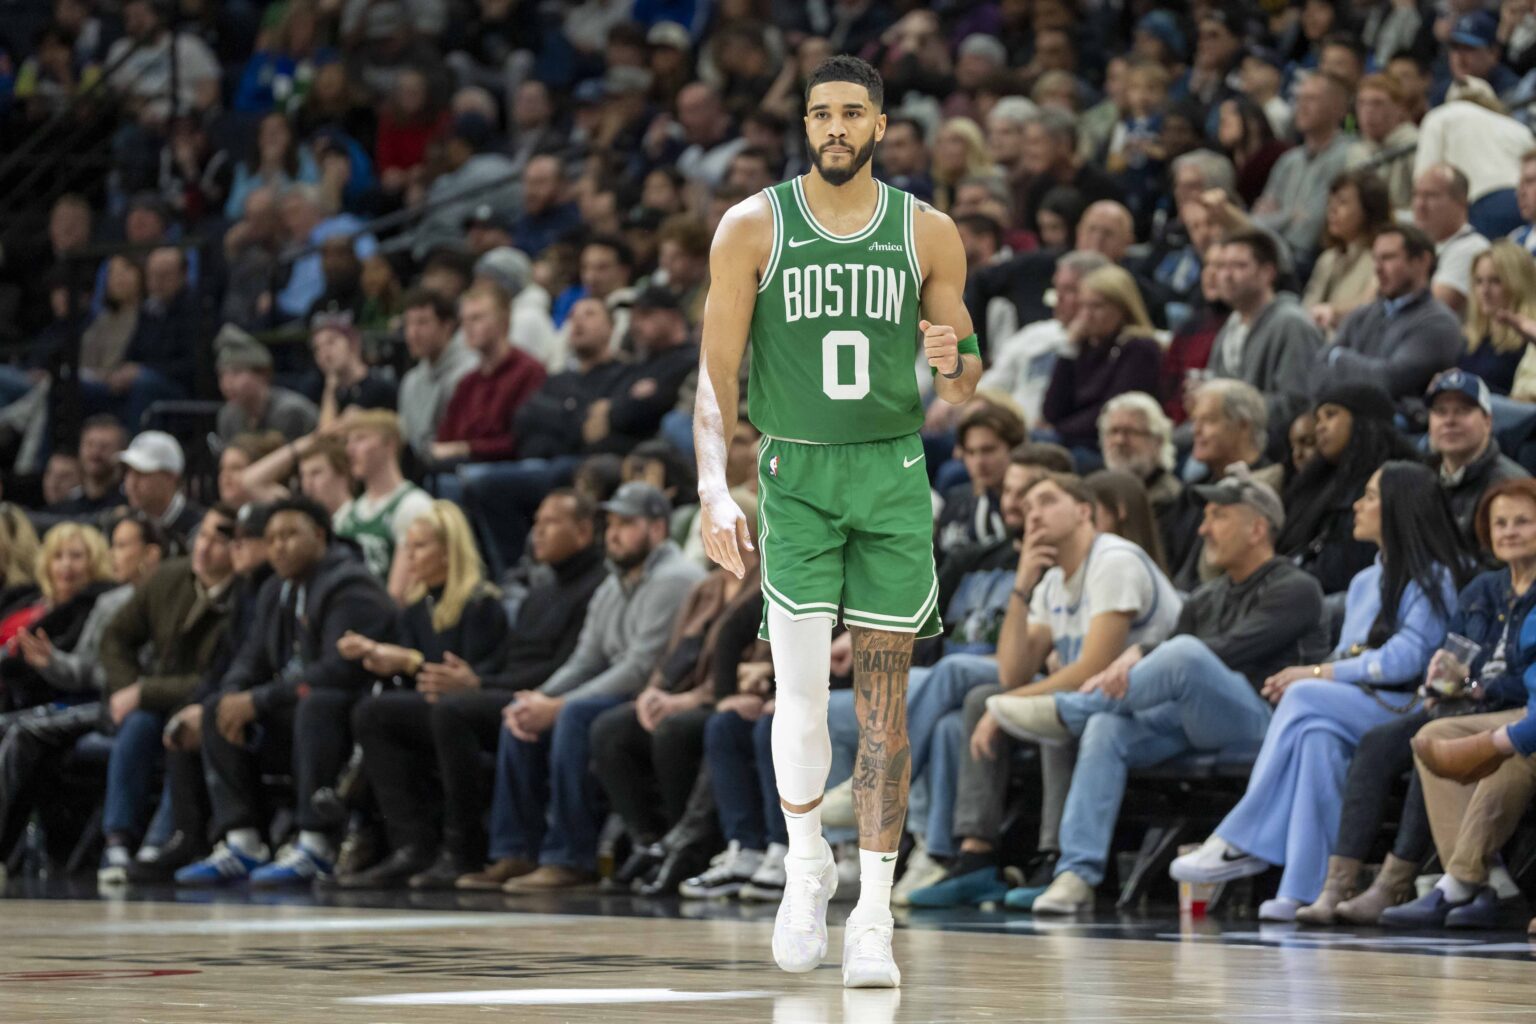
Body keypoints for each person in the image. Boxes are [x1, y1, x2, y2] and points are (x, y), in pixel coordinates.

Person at [692, 55, 982, 989]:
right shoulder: (751, 226)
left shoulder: (928, 232)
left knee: (884, 708)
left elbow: (965, 368)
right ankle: (805, 859)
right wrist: (711, 486)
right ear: (805, 124)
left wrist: (952, 356)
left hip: (894, 474)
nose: (835, 128)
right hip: (798, 475)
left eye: (853, 113)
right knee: (804, 692)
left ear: (882, 126)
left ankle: (875, 915)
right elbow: (716, 372)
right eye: (822, 113)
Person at [988, 473, 1325, 913]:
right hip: (1194, 721)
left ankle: (1070, 710)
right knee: (1107, 727)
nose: (1203, 529)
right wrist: (1142, 654)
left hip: (1266, 723)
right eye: (1204, 518)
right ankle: (1076, 874)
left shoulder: (1295, 588)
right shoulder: (1205, 598)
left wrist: (1144, 651)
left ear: (1257, 528)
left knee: (1185, 653)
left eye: (1218, 517)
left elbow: (1224, 653)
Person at [1171, 461, 1472, 921]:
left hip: (1406, 705)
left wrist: (1315, 675)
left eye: (1370, 496)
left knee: (1302, 697)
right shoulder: (1363, 580)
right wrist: (1321, 672)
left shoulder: (1434, 576)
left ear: (1397, 507)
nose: (1357, 505)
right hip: (1358, 705)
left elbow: (1408, 657)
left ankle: (1238, 838)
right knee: (1316, 739)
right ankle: (1302, 888)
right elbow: (1343, 655)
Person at [913, 473, 1182, 909]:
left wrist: (1005, 708)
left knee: (1045, 705)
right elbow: (1012, 671)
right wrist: (1022, 583)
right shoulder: (1052, 580)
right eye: (1030, 505)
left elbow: (1092, 668)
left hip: (1154, 708)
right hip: (1098, 701)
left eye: (1048, 501)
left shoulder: (1114, 560)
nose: (1033, 512)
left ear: (1084, 511)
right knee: (984, 697)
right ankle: (975, 857)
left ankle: (1055, 856)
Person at [1295, 478, 1536, 927]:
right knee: (1383, 743)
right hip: (1466, 705)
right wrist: (1442, 677)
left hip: (1512, 707)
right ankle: (1343, 881)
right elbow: (1454, 649)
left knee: (1439, 743)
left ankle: (1428, 881)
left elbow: (1527, 682)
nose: (1509, 531)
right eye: (1500, 522)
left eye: (1522, 521)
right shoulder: (1483, 589)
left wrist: (1485, 690)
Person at [485, 483, 703, 894]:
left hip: (659, 695)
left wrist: (560, 704)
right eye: (610, 524)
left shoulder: (674, 578)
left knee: (573, 715)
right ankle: (515, 850)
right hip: (621, 691)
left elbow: (639, 668)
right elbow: (586, 659)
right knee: (522, 713)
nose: (614, 533)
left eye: (626, 524)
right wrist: (540, 698)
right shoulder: (612, 584)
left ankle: (571, 857)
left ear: (658, 529)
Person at [174, 497, 395, 886]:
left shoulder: (350, 584)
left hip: (348, 710)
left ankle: (316, 843)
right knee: (216, 707)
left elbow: (337, 670)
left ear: (320, 536)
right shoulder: (274, 588)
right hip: (293, 706)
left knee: (315, 702)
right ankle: (243, 842)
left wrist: (257, 701)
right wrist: (234, 696)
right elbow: (249, 659)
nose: (278, 545)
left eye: (290, 535)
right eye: (272, 538)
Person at [333, 501, 509, 888]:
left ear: (448, 550)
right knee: (371, 712)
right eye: (406, 547)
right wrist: (379, 659)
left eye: (419, 547)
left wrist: (410, 662)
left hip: (478, 719)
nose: (408, 557)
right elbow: (416, 679)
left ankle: (462, 851)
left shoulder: (481, 604)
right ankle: (410, 846)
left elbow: (474, 679)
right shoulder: (415, 609)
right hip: (435, 716)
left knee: (447, 714)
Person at [94, 507, 236, 879]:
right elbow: (115, 638)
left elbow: (215, 678)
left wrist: (143, 690)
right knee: (140, 724)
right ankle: (118, 841)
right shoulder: (170, 578)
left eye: (219, 542)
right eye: (202, 536)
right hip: (157, 700)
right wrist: (127, 686)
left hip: (204, 699)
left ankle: (162, 842)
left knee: (180, 729)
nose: (204, 548)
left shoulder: (244, 598)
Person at [1279, 382, 1417, 595]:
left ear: (1363, 420)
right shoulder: (1313, 484)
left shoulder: (1395, 482)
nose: (1320, 427)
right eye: (1318, 419)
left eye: (1331, 415)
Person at [1319, 224, 1465, 408]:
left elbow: (1388, 380)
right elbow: (1318, 370)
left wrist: (1338, 358)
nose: (1378, 269)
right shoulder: (1362, 315)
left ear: (1422, 261)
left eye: (1388, 258)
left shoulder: (1439, 323)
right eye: (1376, 259)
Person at [1206, 230, 1323, 448]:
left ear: (1267, 273)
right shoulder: (1228, 329)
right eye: (1221, 266)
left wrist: (1227, 407)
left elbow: (1297, 404)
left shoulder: (1292, 324)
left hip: (1273, 451)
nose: (1226, 275)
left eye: (1239, 266)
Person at [1039, 265, 1162, 465]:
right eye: (1083, 306)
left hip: (1107, 447)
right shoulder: (1085, 346)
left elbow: (1111, 412)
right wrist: (1069, 348)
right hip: (1071, 440)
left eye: (1097, 307)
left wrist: (1057, 431)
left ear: (1122, 308)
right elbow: (1052, 410)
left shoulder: (1140, 349)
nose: (1086, 316)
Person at [979, 252, 1109, 426]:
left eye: (1071, 290)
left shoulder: (1106, 344)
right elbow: (989, 389)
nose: (1058, 298)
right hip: (1010, 432)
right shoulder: (1033, 335)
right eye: (1057, 288)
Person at [1250, 71, 1354, 268]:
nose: (1301, 107)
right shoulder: (1288, 160)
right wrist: (1291, 216)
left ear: (1339, 108)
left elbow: (1309, 232)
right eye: (1299, 99)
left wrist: (1278, 216)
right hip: (1274, 256)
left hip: (1315, 260)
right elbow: (1257, 221)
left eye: (1312, 99)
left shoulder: (1349, 156)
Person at [332, 410, 433, 600]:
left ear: (390, 444)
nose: (350, 450)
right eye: (348, 441)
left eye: (360, 439)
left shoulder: (414, 505)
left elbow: (398, 595)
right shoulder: (345, 515)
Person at [396, 288, 478, 463]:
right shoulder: (411, 381)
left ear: (447, 326)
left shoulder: (471, 372)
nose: (412, 333)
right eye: (408, 324)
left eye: (422, 323)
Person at [1304, 169, 1391, 333]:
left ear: (1369, 209)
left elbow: (1370, 310)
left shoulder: (1382, 260)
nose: (1332, 210)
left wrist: (1332, 313)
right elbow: (1306, 312)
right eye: (1330, 202)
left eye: (1342, 202)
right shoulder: (1327, 259)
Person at [937, 405, 1026, 559]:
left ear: (1014, 449)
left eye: (988, 450)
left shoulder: (1030, 506)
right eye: (970, 452)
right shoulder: (954, 500)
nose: (978, 462)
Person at [213, 325, 319, 443]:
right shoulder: (229, 416)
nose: (227, 383)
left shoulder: (291, 412)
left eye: (236, 373)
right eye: (222, 375)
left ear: (262, 374)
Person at [1412, 164, 1490, 317]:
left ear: (1461, 202)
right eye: (1416, 195)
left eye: (1430, 195)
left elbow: (1429, 312)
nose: (1420, 204)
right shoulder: (1421, 247)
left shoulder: (1472, 248)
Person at [1460, 241, 1536, 398]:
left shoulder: (1529, 340)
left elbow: (1524, 404)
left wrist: (1464, 386)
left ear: (1518, 285)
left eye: (1496, 281)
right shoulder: (1472, 336)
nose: (1484, 291)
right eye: (1479, 281)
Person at [115, 431, 206, 547]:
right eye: (128, 471)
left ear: (171, 478)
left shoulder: (199, 527)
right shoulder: (123, 522)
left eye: (142, 473)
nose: (131, 483)